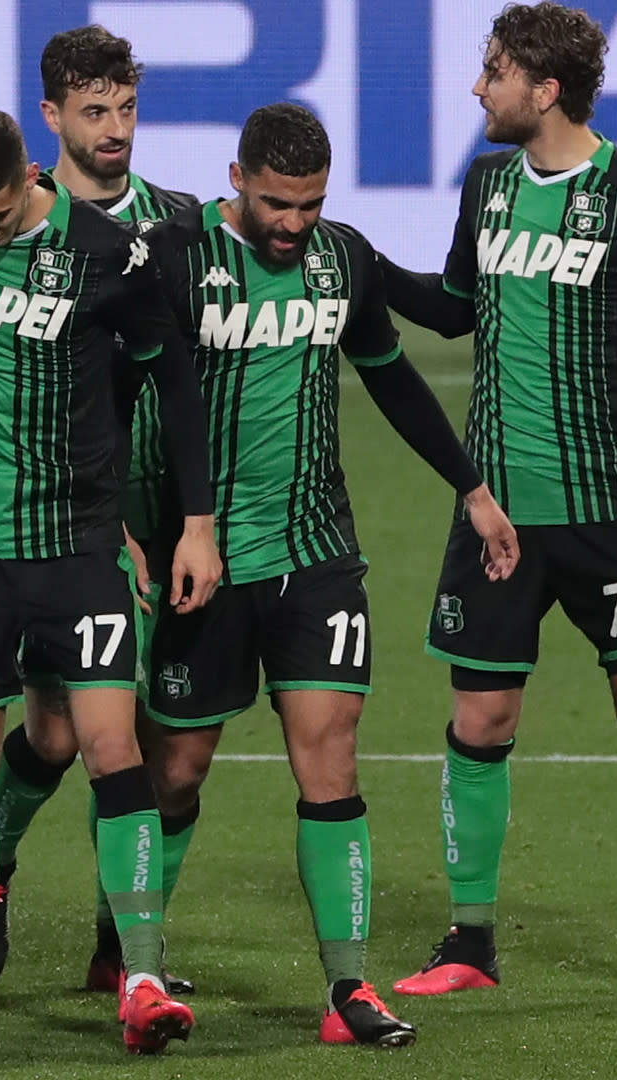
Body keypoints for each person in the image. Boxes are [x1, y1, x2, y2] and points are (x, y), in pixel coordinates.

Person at [379, 1, 617, 1005]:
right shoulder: (488, 184)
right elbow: (455, 309)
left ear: (544, 90)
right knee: (481, 716)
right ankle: (469, 941)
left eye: (494, 71)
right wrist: (369, 267)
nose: (478, 87)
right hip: (495, 511)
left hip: (611, 506)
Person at [141, 103, 521, 1047]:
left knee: (332, 754)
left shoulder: (340, 259)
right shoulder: (178, 257)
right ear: (236, 178)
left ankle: (348, 989)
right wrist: (134, 528)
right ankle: (134, 959)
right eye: (277, 204)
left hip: (315, 551)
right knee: (177, 769)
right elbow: (122, 395)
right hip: (204, 556)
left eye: (310, 204)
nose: (293, 223)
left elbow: (390, 374)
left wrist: (473, 488)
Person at [0, 105, 219, 1053]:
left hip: (78, 546)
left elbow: (173, 381)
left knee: (111, 747)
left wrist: (193, 525)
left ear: (31, 175)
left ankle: (140, 978)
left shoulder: (109, 255)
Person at [0, 24, 203, 995]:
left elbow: (190, 373)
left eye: (127, 108)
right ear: (52, 114)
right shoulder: (16, 222)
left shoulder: (180, 225)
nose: (115, 128)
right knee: (58, 737)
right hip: (66, 519)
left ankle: (121, 952)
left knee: (170, 757)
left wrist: (202, 516)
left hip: (174, 514)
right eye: (94, 111)